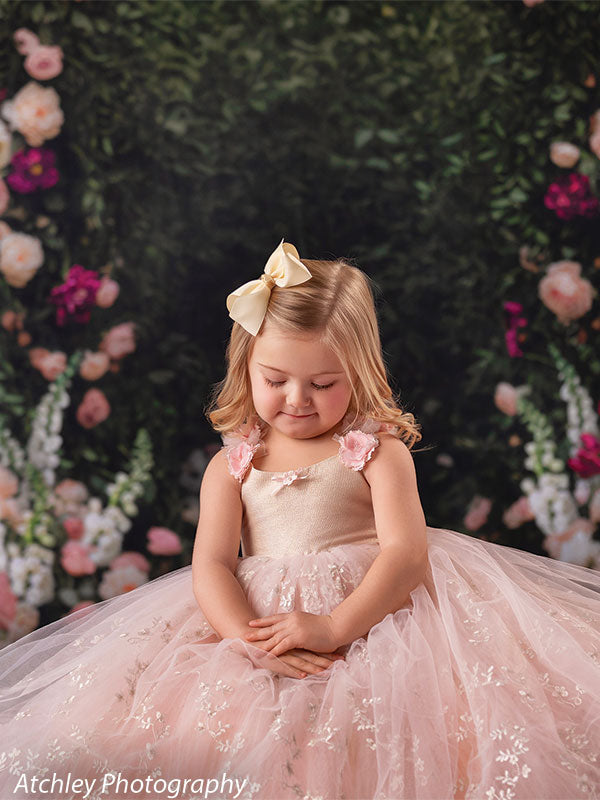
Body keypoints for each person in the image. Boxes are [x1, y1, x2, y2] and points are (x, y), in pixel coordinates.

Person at [0, 240, 599, 800]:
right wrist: (245, 639)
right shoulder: (233, 466)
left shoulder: (374, 451)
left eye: (322, 383)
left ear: (358, 372)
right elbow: (210, 563)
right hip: (260, 623)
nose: (297, 399)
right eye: (275, 380)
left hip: (375, 619)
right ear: (247, 369)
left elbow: (406, 555)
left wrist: (335, 626)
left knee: (383, 734)